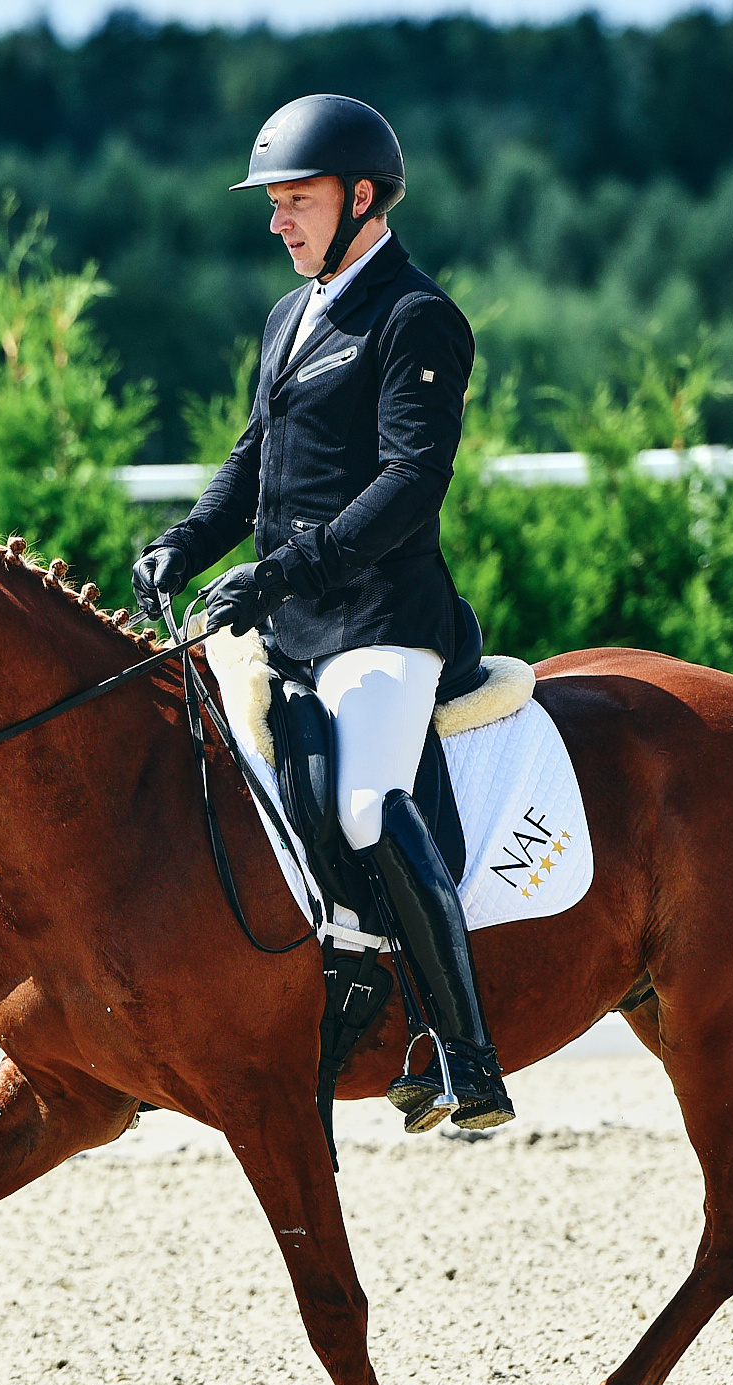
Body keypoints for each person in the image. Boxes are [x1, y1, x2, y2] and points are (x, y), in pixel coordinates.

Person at [133, 93, 512, 1133]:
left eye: (294, 201)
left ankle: (465, 1054)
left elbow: (407, 484)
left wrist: (281, 570)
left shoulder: (414, 316)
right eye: (274, 204)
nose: (276, 221)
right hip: (293, 620)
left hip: (381, 621)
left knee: (363, 803)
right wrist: (188, 541)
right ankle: (343, 977)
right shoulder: (290, 314)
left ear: (359, 197)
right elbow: (254, 459)